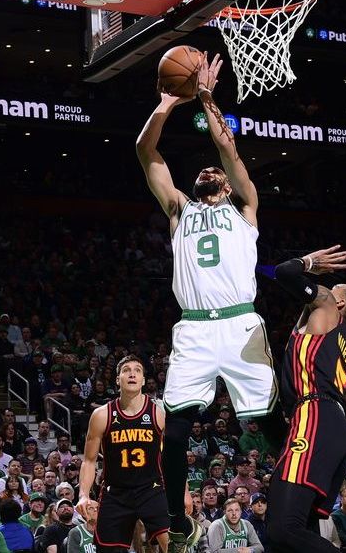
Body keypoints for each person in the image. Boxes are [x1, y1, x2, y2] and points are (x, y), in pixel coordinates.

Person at [137, 52, 280, 553]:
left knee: (269, 424)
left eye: (215, 171)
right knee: (174, 434)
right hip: (195, 328)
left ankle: (296, 499)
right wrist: (166, 103)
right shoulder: (179, 207)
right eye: (205, 170)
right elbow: (145, 151)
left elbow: (227, 149)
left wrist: (206, 98)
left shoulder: (245, 206)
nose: (209, 170)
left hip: (241, 325)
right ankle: (178, 521)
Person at [261, 247, 346, 553]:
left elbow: (284, 272)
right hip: (332, 425)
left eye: (336, 287)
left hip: (315, 416)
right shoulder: (338, 339)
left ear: (341, 302)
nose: (329, 286)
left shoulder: (329, 307)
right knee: (295, 536)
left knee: (282, 527)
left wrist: (309, 263)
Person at [77, 356, 170, 553]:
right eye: (126, 370)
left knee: (173, 545)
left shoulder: (159, 412)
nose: (132, 374)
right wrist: (83, 495)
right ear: (118, 379)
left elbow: (173, 458)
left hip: (152, 489)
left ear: (143, 380)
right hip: (116, 492)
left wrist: (183, 492)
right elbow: (89, 460)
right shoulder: (102, 415)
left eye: (137, 370)